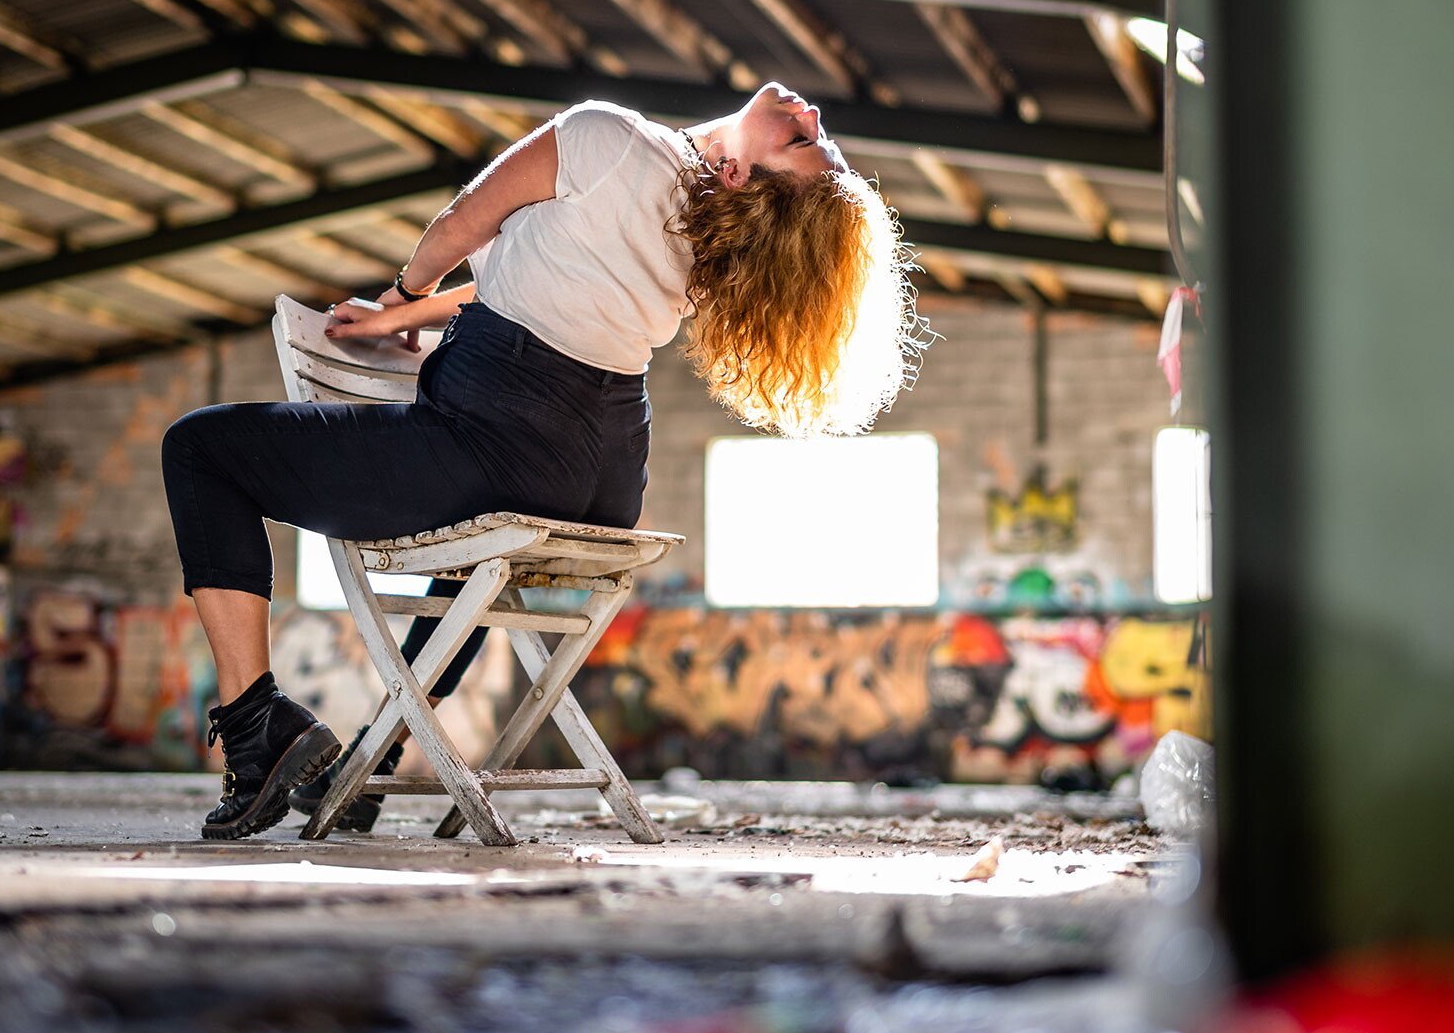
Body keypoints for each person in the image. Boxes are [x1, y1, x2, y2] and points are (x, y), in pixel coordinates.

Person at [161, 82, 923, 839]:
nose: (811, 115)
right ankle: (377, 756)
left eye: (799, 141)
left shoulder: (609, 137)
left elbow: (465, 222)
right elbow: (526, 284)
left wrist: (403, 286)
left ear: (735, 175)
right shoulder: (706, 232)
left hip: (503, 437)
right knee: (472, 578)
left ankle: (254, 730)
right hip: (604, 480)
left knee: (200, 448)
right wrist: (403, 319)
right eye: (814, 130)